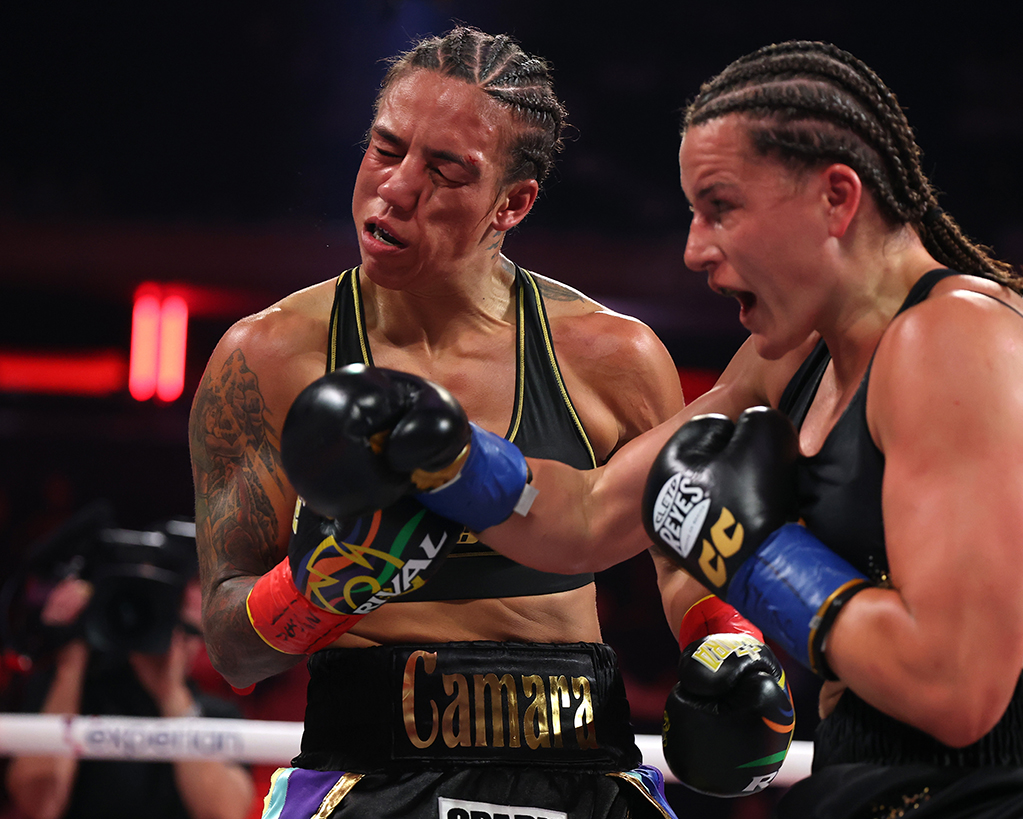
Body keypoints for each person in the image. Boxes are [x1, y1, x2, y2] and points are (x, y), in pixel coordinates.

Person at [407, 40, 1023, 818]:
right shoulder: (793, 359)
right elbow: (586, 515)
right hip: (862, 786)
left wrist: (756, 554)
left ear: (836, 199)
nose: (695, 249)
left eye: (721, 207)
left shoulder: (956, 339)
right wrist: (444, 455)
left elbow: (955, 690)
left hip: (992, 799)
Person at [189, 25, 793, 819]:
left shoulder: (611, 355)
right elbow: (233, 649)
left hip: (583, 767)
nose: (396, 188)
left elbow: (687, 551)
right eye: (385, 148)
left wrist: (726, 643)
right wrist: (325, 587)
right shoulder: (265, 358)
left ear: (512, 202)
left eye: (445, 171)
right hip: (371, 774)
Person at [4, 575, 255, 819]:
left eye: (180, 626)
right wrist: (70, 663)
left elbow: (224, 813)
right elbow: (40, 806)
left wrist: (171, 696)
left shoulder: (219, 715)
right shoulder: (61, 695)